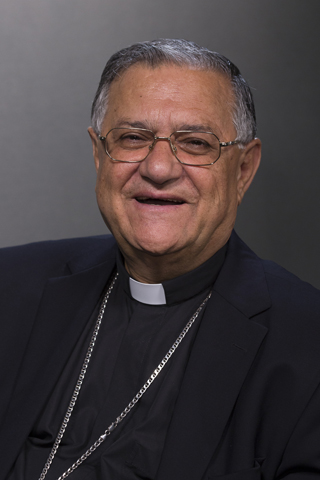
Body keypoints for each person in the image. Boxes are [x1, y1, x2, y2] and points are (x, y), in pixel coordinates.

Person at [1, 38, 320, 480]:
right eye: (133, 138)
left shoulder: (308, 343)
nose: (159, 168)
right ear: (98, 155)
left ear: (243, 170)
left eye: (195, 143)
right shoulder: (9, 284)